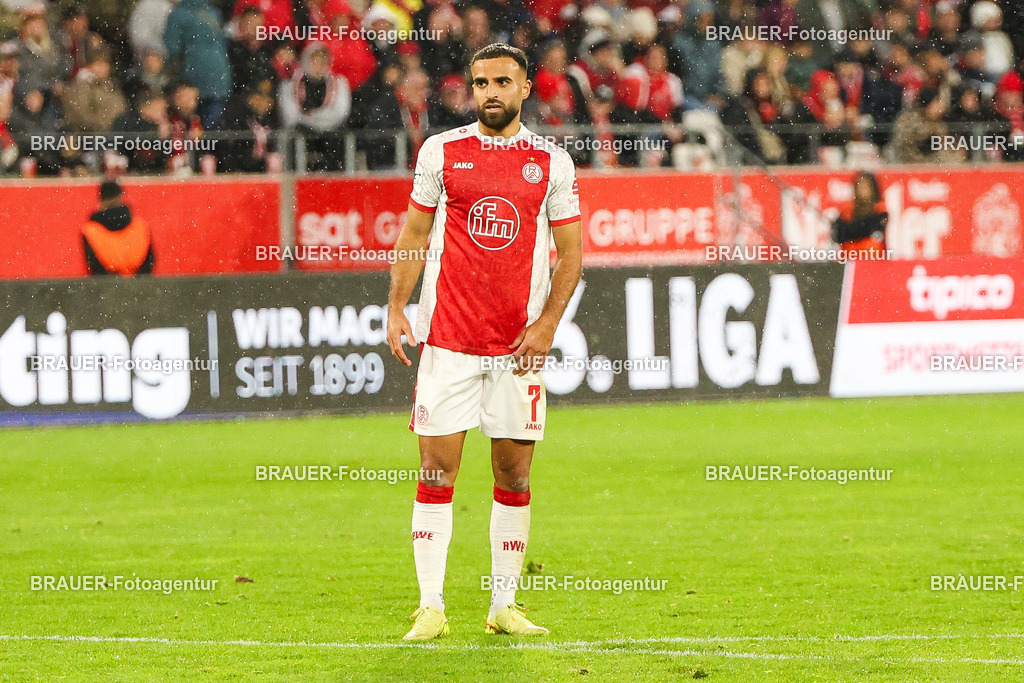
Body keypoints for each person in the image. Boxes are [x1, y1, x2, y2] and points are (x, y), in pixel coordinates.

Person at [386, 42, 582, 641]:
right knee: (437, 472)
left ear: (526, 88)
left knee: (515, 476)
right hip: (447, 343)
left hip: (516, 351)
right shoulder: (441, 152)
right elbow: (415, 233)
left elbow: (571, 255)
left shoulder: (552, 163)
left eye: (502, 81)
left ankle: (503, 605)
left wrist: (546, 326)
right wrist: (397, 306)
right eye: (480, 83)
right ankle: (431, 607)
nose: (490, 92)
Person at [164, 0, 233, 127]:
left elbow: (173, 48)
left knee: (189, 122)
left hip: (192, 72)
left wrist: (169, 71)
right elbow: (223, 42)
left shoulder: (178, 14)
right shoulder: (214, 12)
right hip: (220, 74)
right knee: (212, 124)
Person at [81, 180, 155, 276]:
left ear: (101, 200)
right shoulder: (140, 226)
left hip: (106, 288)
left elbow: (96, 268)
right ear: (120, 197)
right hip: (139, 287)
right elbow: (148, 263)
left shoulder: (90, 230)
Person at [831, 171, 888, 257]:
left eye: (867, 186)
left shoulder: (880, 210)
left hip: (873, 260)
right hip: (850, 259)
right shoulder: (846, 211)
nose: (863, 190)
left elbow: (870, 226)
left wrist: (848, 229)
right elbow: (838, 235)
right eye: (860, 186)